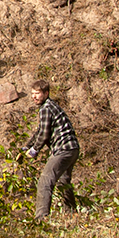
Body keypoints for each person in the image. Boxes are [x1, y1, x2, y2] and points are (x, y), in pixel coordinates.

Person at [23, 80, 81, 219]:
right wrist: (27, 146)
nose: (34, 97)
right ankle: (72, 214)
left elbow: (44, 134)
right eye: (32, 94)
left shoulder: (46, 108)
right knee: (63, 181)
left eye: (37, 93)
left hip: (63, 149)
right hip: (73, 148)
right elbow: (39, 131)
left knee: (45, 182)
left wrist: (34, 150)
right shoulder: (51, 106)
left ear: (46, 93)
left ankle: (41, 219)